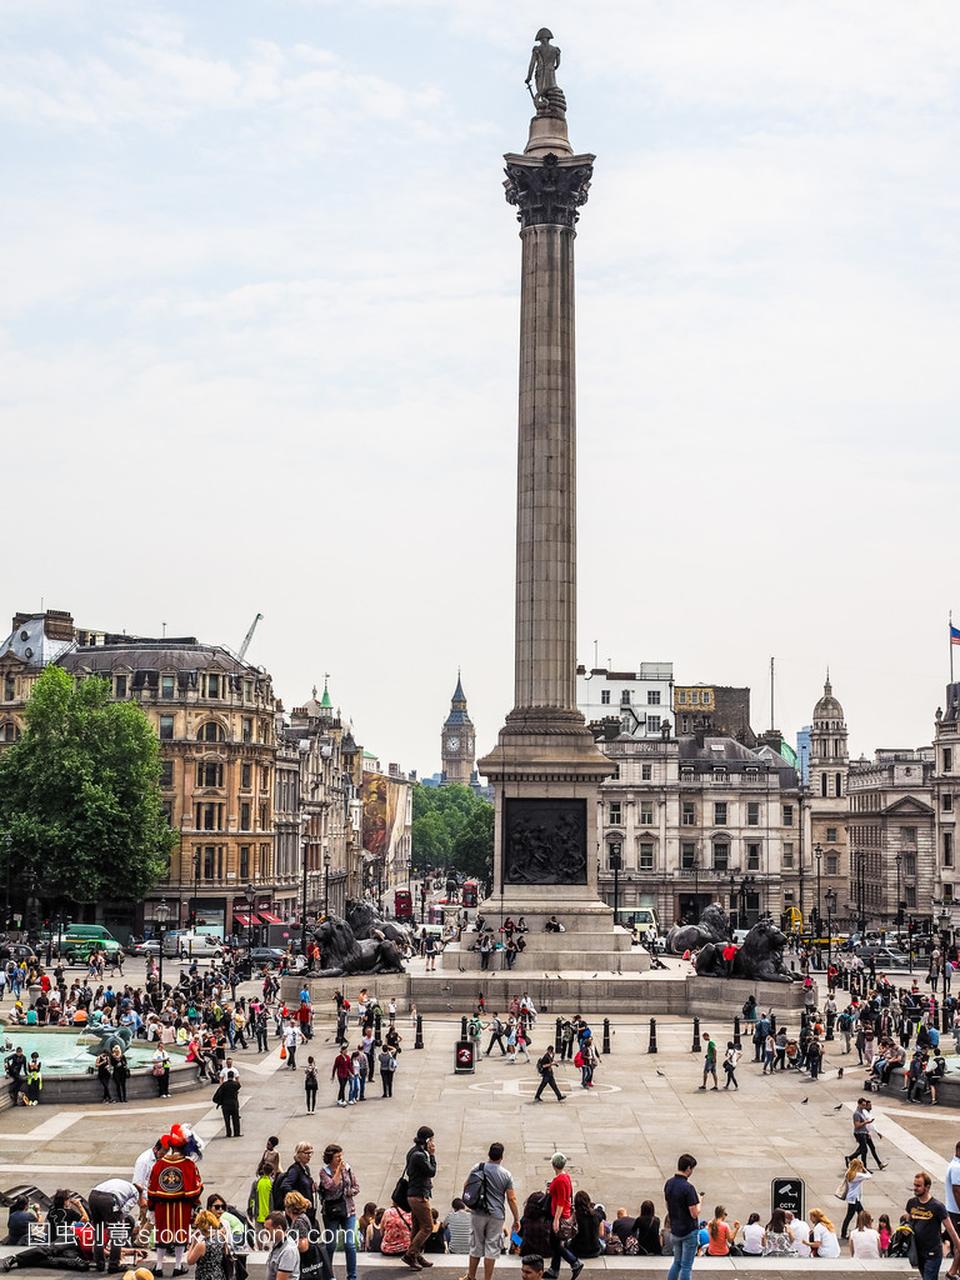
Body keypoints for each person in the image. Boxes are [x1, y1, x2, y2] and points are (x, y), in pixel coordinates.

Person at [460, 1141, 520, 1280]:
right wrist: (516, 1218)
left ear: (489, 1154)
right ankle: (487, 1278)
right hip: (496, 1215)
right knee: (491, 1248)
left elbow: (467, 1185)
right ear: (501, 1156)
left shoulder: (478, 1167)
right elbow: (511, 1199)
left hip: (478, 1212)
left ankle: (471, 1276)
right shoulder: (506, 1175)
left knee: (476, 1244)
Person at [905, 1169, 960, 1278]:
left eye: (918, 1186)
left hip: (932, 1253)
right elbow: (908, 1221)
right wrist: (906, 1228)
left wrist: (958, 1245)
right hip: (918, 1252)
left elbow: (951, 1230)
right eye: (914, 1185)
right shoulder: (912, 1203)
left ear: (927, 1187)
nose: (915, 1188)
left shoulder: (937, 1206)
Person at [319, 1143, 360, 1280]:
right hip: (332, 1212)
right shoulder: (324, 1172)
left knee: (350, 1244)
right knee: (331, 1244)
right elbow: (331, 1186)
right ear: (330, 1158)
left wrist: (349, 1192)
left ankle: (352, 1276)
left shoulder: (347, 1168)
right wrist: (338, 1171)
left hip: (348, 1209)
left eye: (341, 1156)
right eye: (337, 1156)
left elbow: (356, 1186)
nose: (340, 1159)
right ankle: (328, 1275)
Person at [88, 1179, 140, 1274]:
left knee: (98, 1232)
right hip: (109, 1200)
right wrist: (119, 1222)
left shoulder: (122, 1183)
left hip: (93, 1196)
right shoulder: (135, 1193)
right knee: (117, 1234)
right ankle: (113, 1265)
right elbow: (124, 1210)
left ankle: (99, 1263)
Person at [404, 1125, 438, 1269]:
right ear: (428, 1139)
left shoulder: (413, 1151)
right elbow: (431, 1171)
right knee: (428, 1227)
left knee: (417, 1227)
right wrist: (432, 1155)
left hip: (413, 1193)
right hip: (418, 1196)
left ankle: (416, 1255)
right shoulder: (420, 1155)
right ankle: (411, 1254)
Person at [543, 1152, 580, 1279]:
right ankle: (554, 1269)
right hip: (565, 1213)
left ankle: (574, 1262)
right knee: (556, 1242)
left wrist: (556, 1220)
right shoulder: (566, 1177)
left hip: (559, 1215)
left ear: (554, 1165)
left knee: (554, 1244)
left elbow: (561, 1201)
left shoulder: (559, 1180)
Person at [663, 1154, 700, 1280]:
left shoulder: (669, 1184)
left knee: (677, 1262)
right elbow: (694, 1213)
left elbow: (668, 1205)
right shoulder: (688, 1188)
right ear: (688, 1168)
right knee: (686, 1266)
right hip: (688, 1230)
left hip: (675, 1229)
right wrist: (699, 1202)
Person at [186, 1208, 231, 1280]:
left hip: (205, 1275)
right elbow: (226, 1252)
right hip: (219, 1274)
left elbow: (190, 1261)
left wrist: (193, 1243)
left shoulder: (202, 1245)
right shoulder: (221, 1237)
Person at [840, 1157, 871, 1239]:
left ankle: (860, 1228)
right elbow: (869, 1176)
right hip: (854, 1198)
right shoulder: (857, 1175)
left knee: (861, 1213)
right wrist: (864, 1168)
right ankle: (844, 1233)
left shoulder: (848, 1173)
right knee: (850, 1216)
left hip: (853, 1197)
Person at [264, 1210, 299, 1280]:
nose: (264, 1232)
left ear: (279, 1228)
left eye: (268, 1229)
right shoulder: (277, 1243)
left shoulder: (288, 1251)